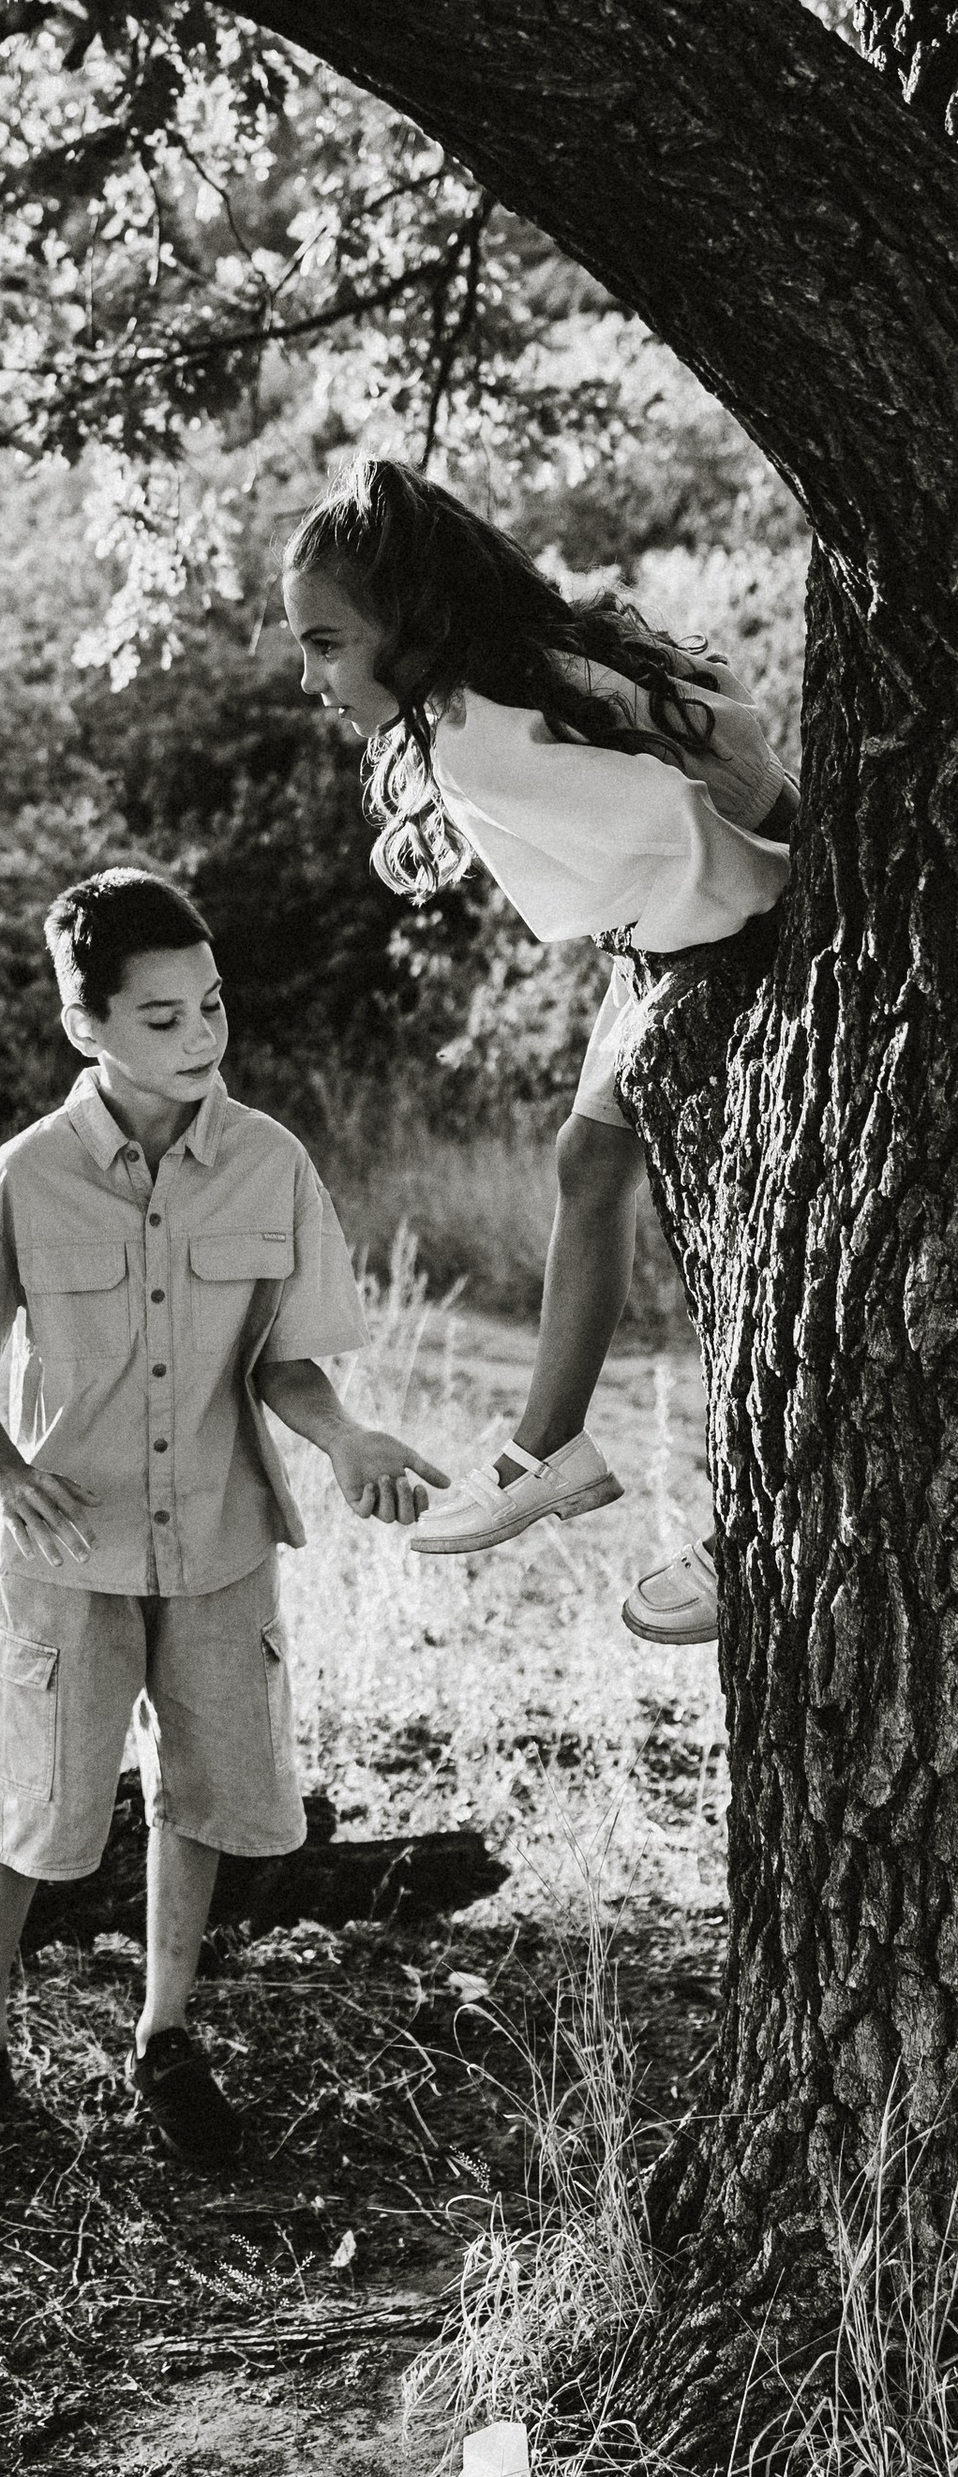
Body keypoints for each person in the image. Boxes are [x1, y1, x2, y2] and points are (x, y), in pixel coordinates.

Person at [0, 868, 446, 2169]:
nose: (201, 1036)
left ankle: (165, 2034)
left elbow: (283, 1363)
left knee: (201, 1791)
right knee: (29, 1789)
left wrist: (346, 1439)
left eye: (212, 1006)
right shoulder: (29, 1177)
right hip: (66, 1547)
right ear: (86, 1024)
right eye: (163, 1017)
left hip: (218, 1537)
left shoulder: (269, 1165)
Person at [280, 458, 797, 1645]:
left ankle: (737, 1518)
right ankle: (549, 1445)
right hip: (664, 954)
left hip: (719, 950)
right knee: (588, 1168)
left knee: (754, 1251)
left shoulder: (494, 712)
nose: (310, 677)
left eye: (328, 642)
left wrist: (795, 856)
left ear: (409, 624)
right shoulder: (491, 696)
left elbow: (705, 772)